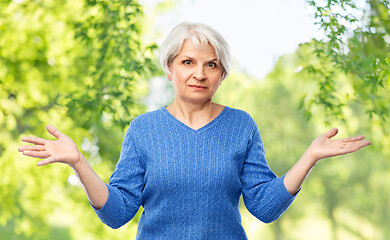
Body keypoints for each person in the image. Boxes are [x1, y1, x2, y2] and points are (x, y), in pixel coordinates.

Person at [18, 22, 371, 239]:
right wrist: (79, 162)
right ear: (170, 69)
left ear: (222, 74)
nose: (199, 73)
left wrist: (309, 157)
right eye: (187, 62)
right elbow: (117, 214)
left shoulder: (241, 126)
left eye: (211, 65)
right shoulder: (143, 130)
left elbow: (263, 206)